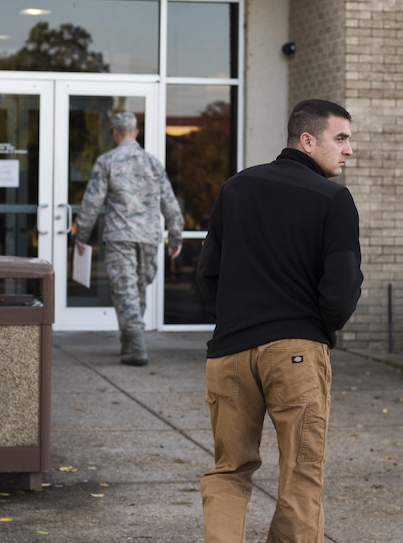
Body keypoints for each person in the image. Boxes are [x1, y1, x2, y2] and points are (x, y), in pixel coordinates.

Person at [196, 99, 363, 543]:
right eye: (341, 138)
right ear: (307, 140)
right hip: (296, 353)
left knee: (229, 469)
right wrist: (317, 325)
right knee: (300, 476)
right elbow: (341, 290)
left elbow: (207, 274)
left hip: (229, 353)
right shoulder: (334, 199)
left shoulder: (236, 188)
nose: (349, 150)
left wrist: (234, 319)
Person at [75, 111, 183, 366]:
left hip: (120, 236)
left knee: (125, 290)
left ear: (114, 132)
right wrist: (175, 236)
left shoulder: (107, 161)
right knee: (137, 289)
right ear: (135, 132)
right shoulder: (153, 163)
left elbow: (91, 203)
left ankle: (135, 346)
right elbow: (170, 202)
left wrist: (81, 235)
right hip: (148, 237)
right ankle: (130, 341)